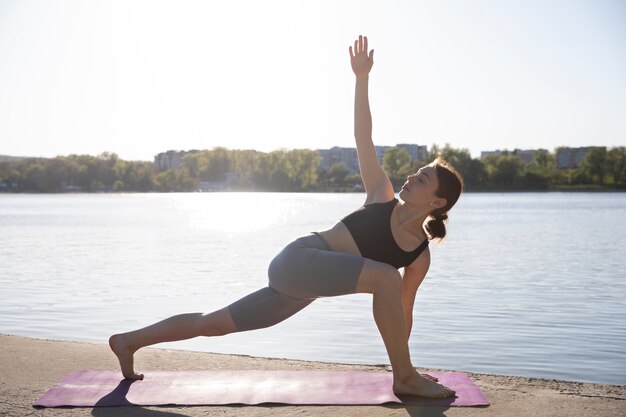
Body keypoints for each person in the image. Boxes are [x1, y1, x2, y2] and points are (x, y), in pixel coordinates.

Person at [109, 34, 464, 399]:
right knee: (386, 276)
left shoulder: (419, 256)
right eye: (415, 172)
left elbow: (401, 311)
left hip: (300, 290)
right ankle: (402, 379)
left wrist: (409, 362)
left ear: (437, 202)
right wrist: (361, 79)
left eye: (421, 179)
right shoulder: (381, 194)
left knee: (213, 324)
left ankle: (128, 341)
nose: (410, 177)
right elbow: (363, 137)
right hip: (299, 259)